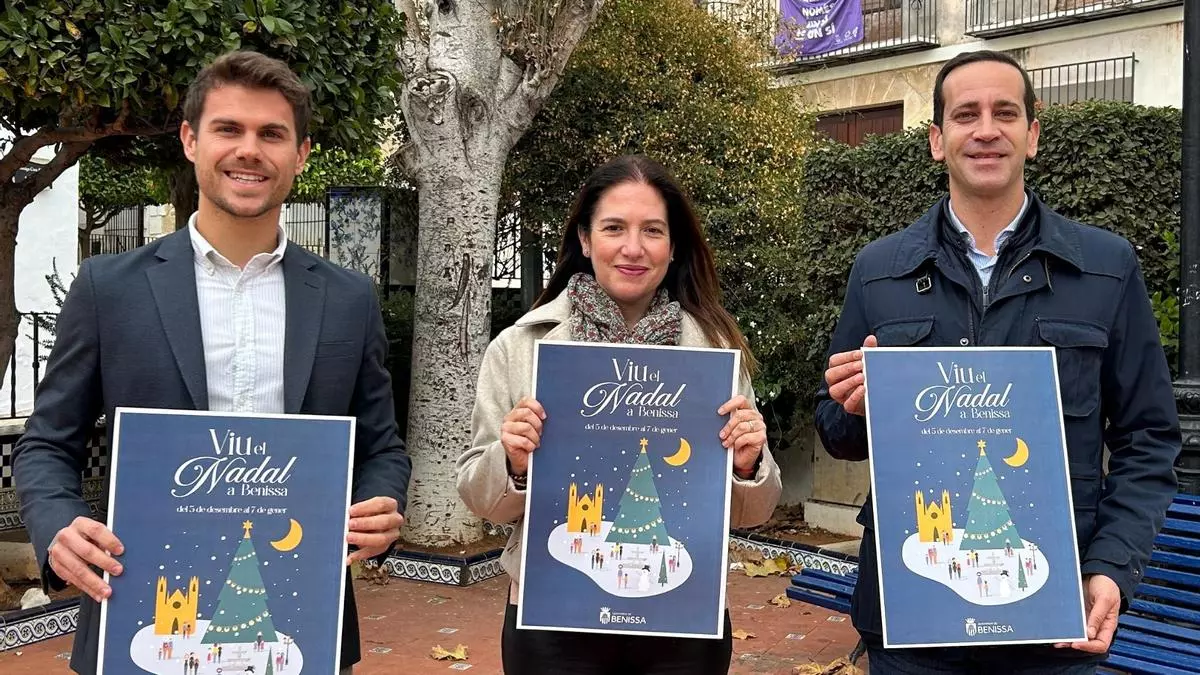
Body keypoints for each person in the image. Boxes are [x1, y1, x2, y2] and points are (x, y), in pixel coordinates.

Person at [12, 50, 411, 675]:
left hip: (301, 622)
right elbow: (45, 443)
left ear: (301, 154)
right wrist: (59, 525)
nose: (249, 150)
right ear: (190, 141)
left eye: (271, 134)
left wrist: (380, 503)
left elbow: (381, 446)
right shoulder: (108, 289)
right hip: (139, 614)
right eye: (229, 129)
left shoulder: (348, 299)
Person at [815, 50, 1180, 673]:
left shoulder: (1105, 268)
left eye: (1005, 113)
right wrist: (854, 405)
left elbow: (1148, 437)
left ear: (1032, 135)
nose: (986, 130)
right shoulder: (879, 271)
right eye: (966, 115)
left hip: (1054, 618)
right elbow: (835, 430)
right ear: (937, 140)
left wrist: (1111, 567)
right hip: (912, 618)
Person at [456, 154, 782, 674]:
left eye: (652, 230)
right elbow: (480, 499)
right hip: (553, 618)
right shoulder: (520, 348)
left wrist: (747, 464)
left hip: (683, 616)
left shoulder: (715, 353)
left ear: (673, 246)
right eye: (614, 228)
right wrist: (512, 462)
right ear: (585, 240)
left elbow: (751, 513)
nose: (633, 248)